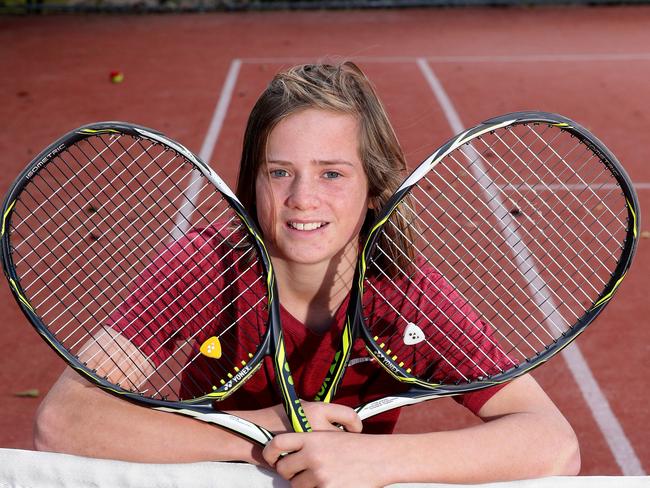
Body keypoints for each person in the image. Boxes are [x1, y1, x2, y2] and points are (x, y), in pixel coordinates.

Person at [34, 62, 580, 487]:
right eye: (279, 172)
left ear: (375, 190)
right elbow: (64, 420)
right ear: (252, 184)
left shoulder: (408, 294)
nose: (302, 199)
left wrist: (371, 460)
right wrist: (257, 436)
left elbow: (553, 443)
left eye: (333, 173)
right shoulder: (205, 269)